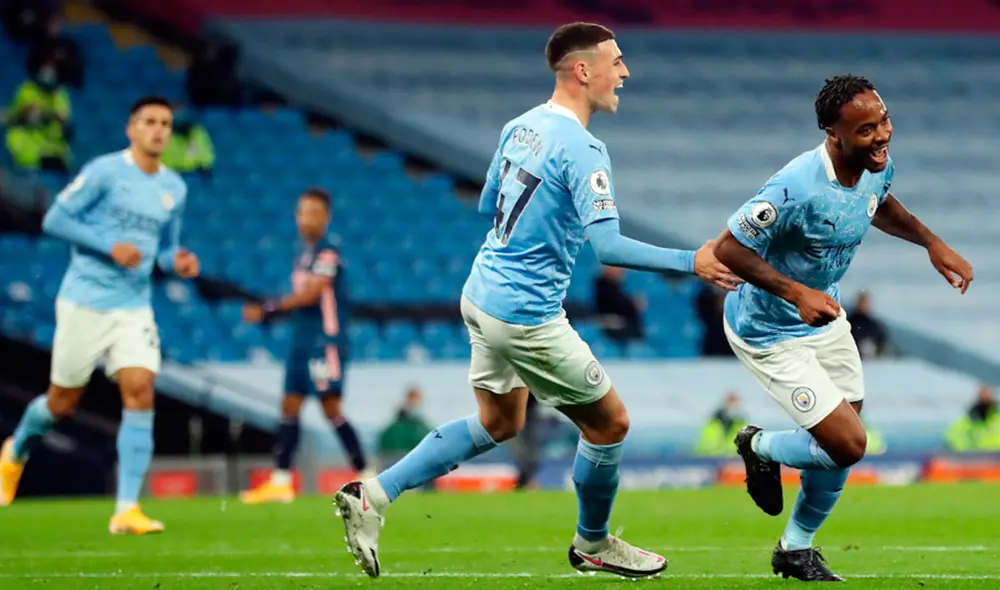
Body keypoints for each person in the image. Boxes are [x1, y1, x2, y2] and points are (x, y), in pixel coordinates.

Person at [332, 22, 739, 579]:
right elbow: (609, 246)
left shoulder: (520, 126)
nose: (624, 72)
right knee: (610, 424)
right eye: (615, 61)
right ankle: (593, 543)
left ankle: (372, 494)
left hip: (481, 294)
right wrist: (691, 260)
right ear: (582, 70)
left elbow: (485, 206)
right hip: (526, 313)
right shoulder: (585, 149)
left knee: (499, 422)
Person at [713, 75, 974, 581]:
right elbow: (728, 248)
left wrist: (931, 243)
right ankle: (757, 445)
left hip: (826, 320)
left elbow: (881, 203)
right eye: (866, 130)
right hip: (768, 329)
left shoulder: (876, 165)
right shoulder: (795, 187)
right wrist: (796, 292)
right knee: (850, 445)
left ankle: (795, 549)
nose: (882, 136)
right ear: (833, 133)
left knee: (838, 448)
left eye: (884, 122)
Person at [0, 96, 201, 534]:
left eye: (165, 123)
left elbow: (164, 248)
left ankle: (126, 509)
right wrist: (109, 247)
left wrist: (176, 261)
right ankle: (14, 451)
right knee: (61, 403)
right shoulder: (104, 172)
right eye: (149, 121)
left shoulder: (174, 188)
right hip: (85, 301)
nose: (159, 130)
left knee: (140, 389)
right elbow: (55, 219)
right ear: (132, 128)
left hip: (133, 307)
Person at [239, 188, 370, 504]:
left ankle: (366, 474)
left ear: (326, 218)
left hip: (324, 341)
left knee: (330, 407)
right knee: (289, 405)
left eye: (314, 213)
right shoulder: (304, 254)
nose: (307, 219)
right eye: (302, 213)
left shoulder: (328, 252)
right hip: (301, 338)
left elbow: (312, 294)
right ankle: (281, 481)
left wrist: (269, 310)